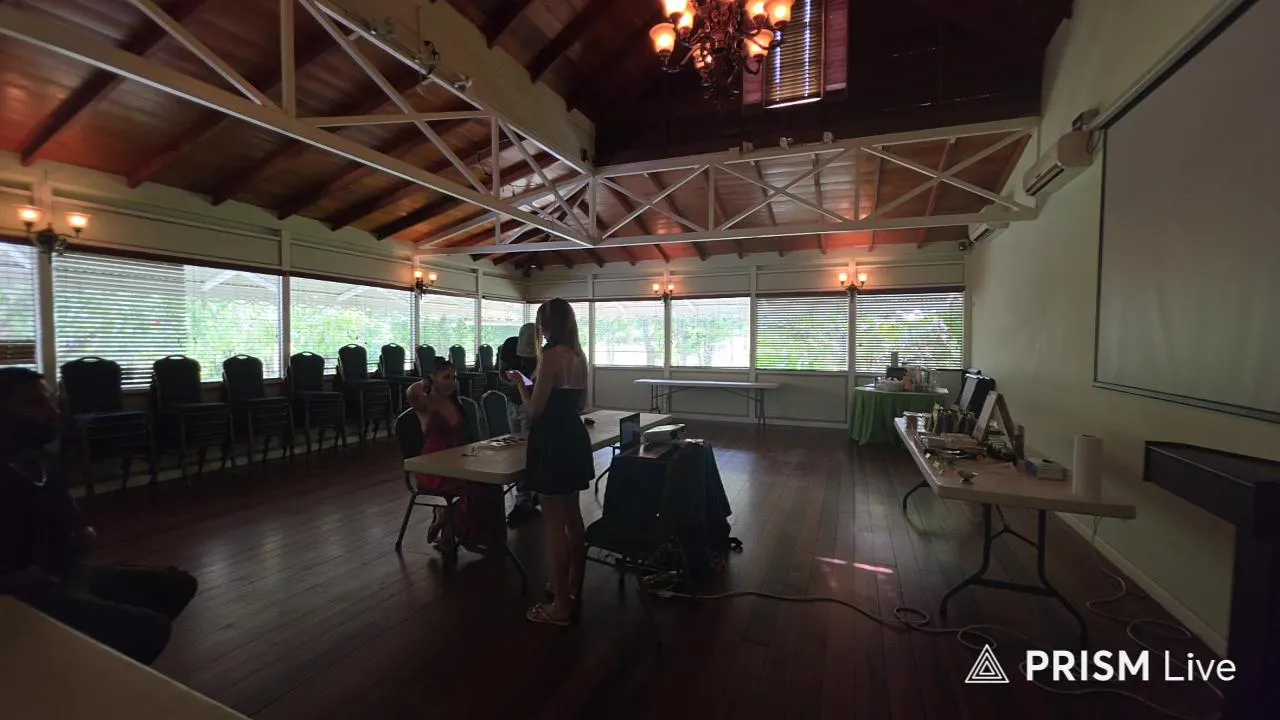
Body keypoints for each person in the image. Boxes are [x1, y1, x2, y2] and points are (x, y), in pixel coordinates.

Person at [0, 367, 197, 665]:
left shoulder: (42, 462)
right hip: (20, 597)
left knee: (178, 584)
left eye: (52, 402)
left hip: (64, 573)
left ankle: (84, 657)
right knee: (150, 629)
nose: (54, 412)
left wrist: (80, 535)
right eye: (37, 403)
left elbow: (72, 525)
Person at [505, 300, 594, 626]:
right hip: (573, 434)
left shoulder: (551, 356)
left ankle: (559, 605)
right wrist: (537, 385)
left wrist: (520, 384)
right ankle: (571, 586)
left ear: (549, 325)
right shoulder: (579, 355)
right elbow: (579, 401)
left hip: (551, 440)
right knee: (573, 518)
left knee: (554, 526)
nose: (540, 330)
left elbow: (533, 410)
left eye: (542, 323)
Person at [406, 362, 503, 552]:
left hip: (459, 460)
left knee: (490, 484)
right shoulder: (425, 403)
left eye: (454, 377)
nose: (452, 382)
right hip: (434, 466)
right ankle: (455, 529)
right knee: (473, 488)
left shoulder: (456, 403)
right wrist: (425, 382)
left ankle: (481, 536)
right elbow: (411, 392)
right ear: (432, 380)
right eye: (446, 377)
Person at [504, 322, 541, 526]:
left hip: (531, 403)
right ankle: (526, 495)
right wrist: (511, 379)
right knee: (516, 449)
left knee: (528, 452)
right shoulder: (509, 346)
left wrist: (522, 381)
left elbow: (537, 384)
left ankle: (525, 498)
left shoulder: (543, 354)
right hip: (513, 401)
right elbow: (501, 372)